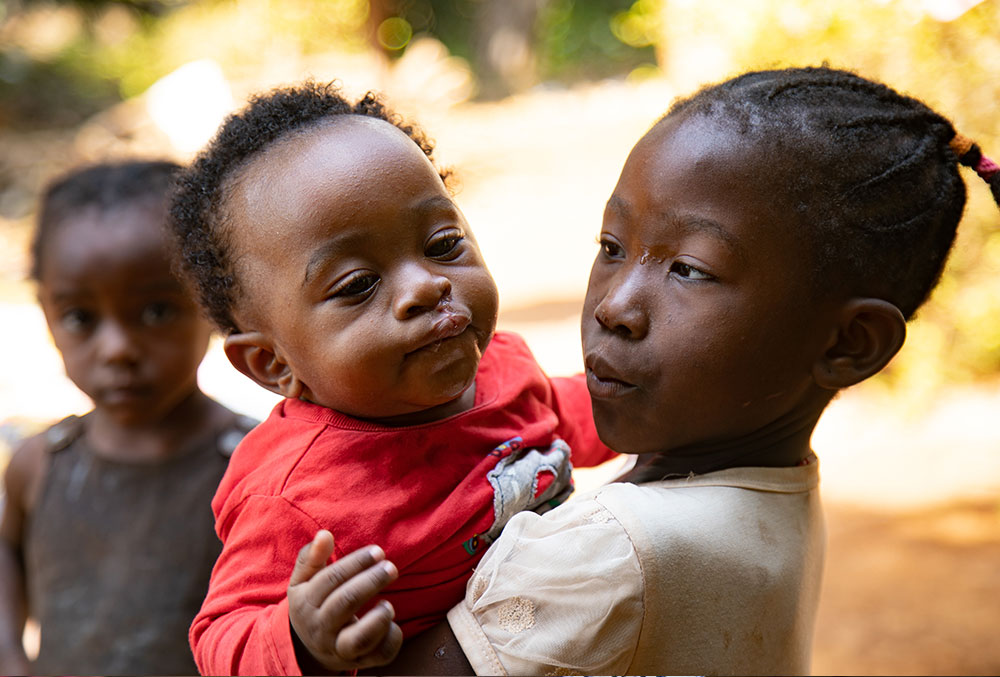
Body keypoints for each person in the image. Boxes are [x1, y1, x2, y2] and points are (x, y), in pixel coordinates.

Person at [345, 66, 1000, 676]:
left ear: (851, 343)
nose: (615, 305)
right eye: (611, 247)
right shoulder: (770, 492)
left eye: (690, 268)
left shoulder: (613, 555)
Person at [166, 81, 616, 675]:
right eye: (357, 285)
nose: (426, 286)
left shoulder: (503, 368)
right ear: (274, 364)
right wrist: (305, 638)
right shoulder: (296, 497)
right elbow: (223, 636)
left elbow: (579, 414)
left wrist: (665, 399)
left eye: (442, 243)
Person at [0, 160, 257, 676]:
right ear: (47, 313)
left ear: (211, 302)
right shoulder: (41, 466)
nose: (117, 349)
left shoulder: (255, 467)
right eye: (81, 318)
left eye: (157, 311)